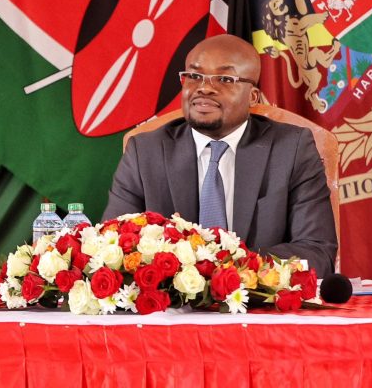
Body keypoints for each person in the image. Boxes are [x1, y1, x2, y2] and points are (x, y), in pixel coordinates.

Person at [103, 34, 337, 278]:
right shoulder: (145, 152)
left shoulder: (290, 149)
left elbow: (317, 252)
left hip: (255, 298)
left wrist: (229, 270)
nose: (204, 88)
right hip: (171, 300)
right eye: (194, 76)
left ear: (253, 97)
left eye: (225, 79)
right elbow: (113, 247)